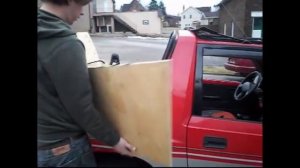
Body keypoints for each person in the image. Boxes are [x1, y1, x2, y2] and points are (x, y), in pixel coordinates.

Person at [37, 0, 136, 167]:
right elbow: (81, 107)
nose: (82, 12)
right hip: (65, 150)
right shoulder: (65, 43)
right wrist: (114, 140)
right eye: (81, 5)